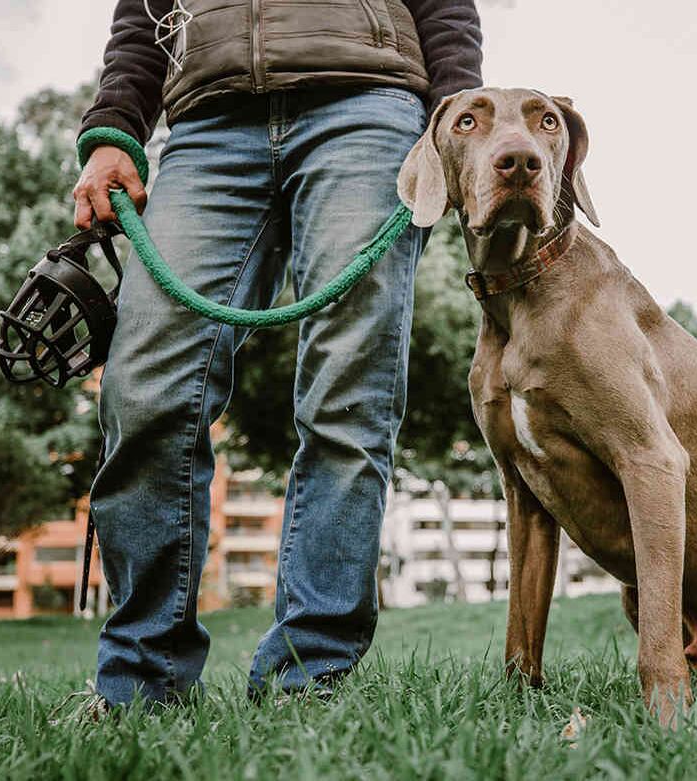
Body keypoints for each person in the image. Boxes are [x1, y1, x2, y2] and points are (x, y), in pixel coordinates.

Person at [71, 0, 482, 707]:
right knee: (143, 391)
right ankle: (140, 681)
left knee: (348, 397)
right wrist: (114, 129)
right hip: (204, 126)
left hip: (369, 104)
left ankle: (308, 676)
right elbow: (142, 14)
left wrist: (456, 115)